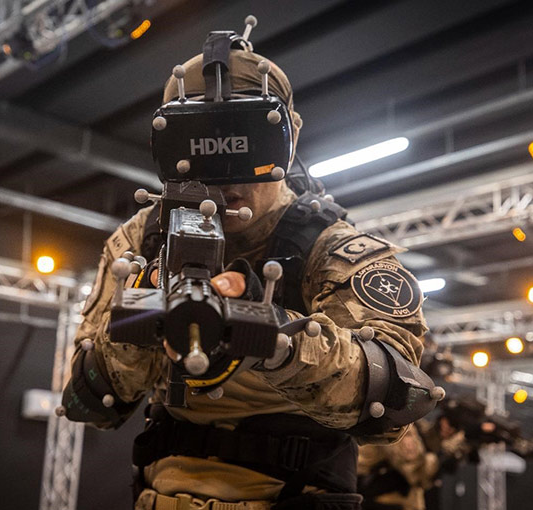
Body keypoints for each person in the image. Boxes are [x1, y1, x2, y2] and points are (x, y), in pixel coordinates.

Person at [61, 25, 441, 510]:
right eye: (200, 143)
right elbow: (87, 402)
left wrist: (274, 339)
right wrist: (139, 320)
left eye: (246, 142)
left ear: (288, 137)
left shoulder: (330, 249)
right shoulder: (143, 239)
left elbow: (397, 401)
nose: (227, 178)